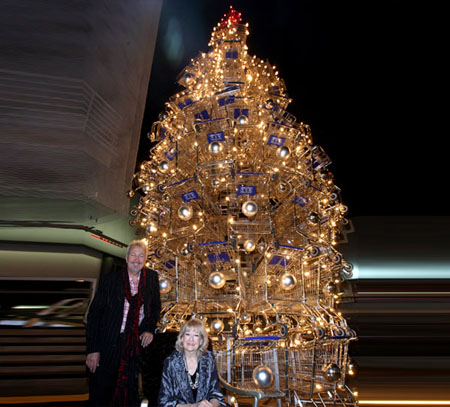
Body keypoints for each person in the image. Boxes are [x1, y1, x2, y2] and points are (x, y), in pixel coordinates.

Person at [86, 239, 161, 407]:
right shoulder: (111, 280)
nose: (137, 259)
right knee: (103, 389)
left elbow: (155, 306)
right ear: (126, 259)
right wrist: (93, 350)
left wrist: (149, 329)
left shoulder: (151, 278)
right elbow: (94, 315)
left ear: (145, 259)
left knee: (132, 391)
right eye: (133, 255)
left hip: (136, 345)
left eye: (141, 256)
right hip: (110, 343)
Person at [158, 318, 226, 407]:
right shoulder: (171, 362)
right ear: (182, 338)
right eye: (187, 334)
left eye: (196, 335)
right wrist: (194, 406)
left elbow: (216, 394)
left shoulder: (209, 359)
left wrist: (211, 405)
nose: (191, 339)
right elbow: (164, 402)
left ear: (201, 340)